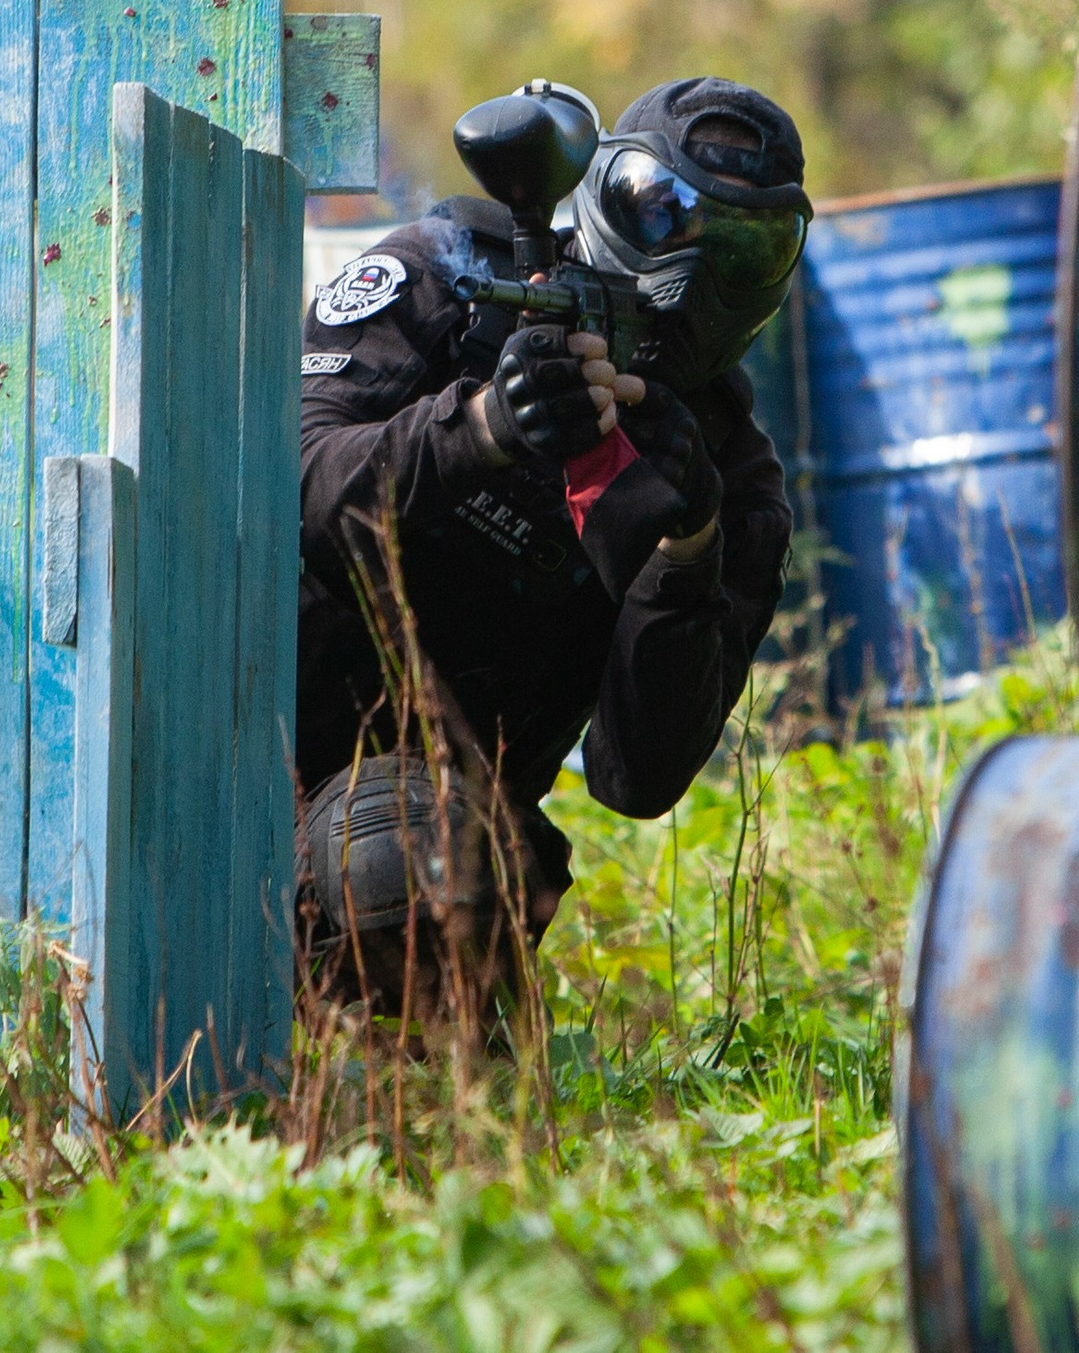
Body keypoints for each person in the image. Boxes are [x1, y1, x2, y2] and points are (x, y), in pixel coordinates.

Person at [294, 76, 810, 1017]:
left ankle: (408, 1097)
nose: (687, 277)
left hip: (453, 844)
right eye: (663, 214)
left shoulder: (731, 481)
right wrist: (481, 428)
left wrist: (684, 552)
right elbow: (288, 487)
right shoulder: (444, 285)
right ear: (602, 188)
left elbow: (634, 777)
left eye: (741, 252)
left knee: (411, 848)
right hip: (255, 761)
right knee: (396, 845)